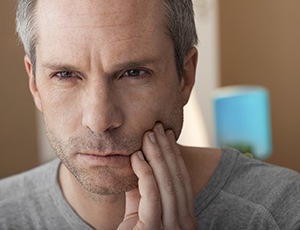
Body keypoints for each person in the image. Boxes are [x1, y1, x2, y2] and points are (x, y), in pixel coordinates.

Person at [0, 0, 299, 229]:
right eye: (65, 74)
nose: (100, 120)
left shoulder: (283, 212)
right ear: (34, 83)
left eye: (133, 73)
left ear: (185, 76)